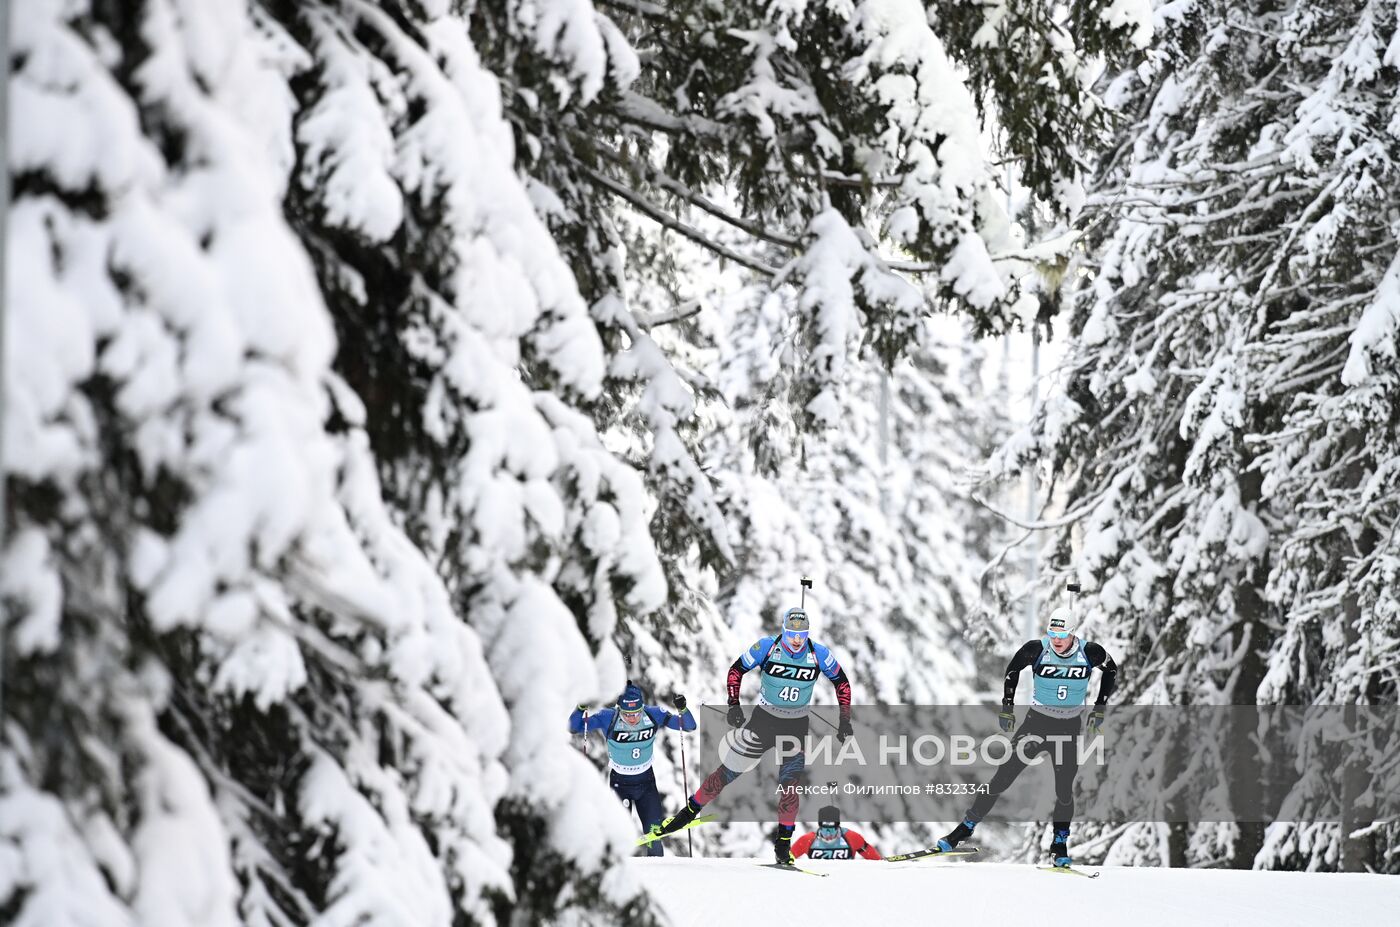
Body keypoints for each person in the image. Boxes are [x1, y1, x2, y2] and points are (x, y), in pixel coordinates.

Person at [649, 606, 853, 865]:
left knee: (790, 785)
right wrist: (733, 704)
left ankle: (782, 844)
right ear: (783, 630)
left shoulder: (818, 653)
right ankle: (688, 813)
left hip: (795, 726)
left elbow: (841, 682)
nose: (797, 640)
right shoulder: (767, 647)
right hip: (763, 722)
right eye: (791, 634)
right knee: (728, 772)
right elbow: (736, 670)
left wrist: (844, 719)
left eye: (802, 635)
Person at [936, 605, 1119, 868]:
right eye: (1052, 633)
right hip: (1037, 725)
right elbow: (1012, 671)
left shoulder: (1090, 652)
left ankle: (1059, 844)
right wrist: (1007, 708)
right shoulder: (1036, 649)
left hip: (1068, 728)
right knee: (1002, 777)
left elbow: (1110, 670)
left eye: (1062, 634)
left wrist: (1100, 706)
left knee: (1064, 790)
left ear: (1073, 632)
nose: (1056, 640)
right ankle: (965, 829)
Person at [570, 683, 696, 857]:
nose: (632, 718)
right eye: (627, 714)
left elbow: (688, 726)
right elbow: (574, 727)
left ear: (642, 708)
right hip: (619, 784)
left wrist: (682, 709)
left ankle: (659, 879)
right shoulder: (609, 718)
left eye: (636, 713)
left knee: (654, 836)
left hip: (646, 785)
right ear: (619, 709)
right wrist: (581, 706)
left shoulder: (653, 715)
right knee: (617, 836)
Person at [793, 805, 881, 860]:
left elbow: (874, 859)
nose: (828, 834)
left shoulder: (851, 837)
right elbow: (788, 858)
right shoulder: (807, 840)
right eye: (824, 829)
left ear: (837, 826)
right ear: (820, 826)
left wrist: (882, 862)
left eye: (831, 829)